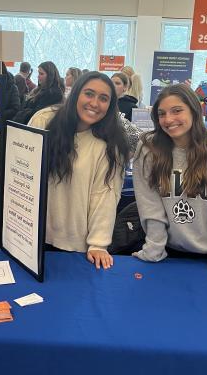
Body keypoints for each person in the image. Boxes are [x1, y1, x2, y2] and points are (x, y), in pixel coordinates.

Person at [133, 84, 207, 282]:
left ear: (194, 111)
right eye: (162, 113)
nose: (168, 119)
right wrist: (153, 249)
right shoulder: (148, 151)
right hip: (167, 254)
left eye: (177, 111)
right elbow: (150, 206)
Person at [29, 71, 129, 269]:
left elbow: (105, 196)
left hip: (75, 246)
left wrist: (98, 244)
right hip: (33, 236)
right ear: (75, 93)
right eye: (89, 94)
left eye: (103, 98)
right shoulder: (44, 121)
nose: (94, 103)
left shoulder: (110, 145)